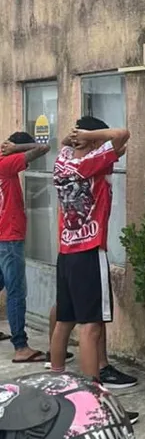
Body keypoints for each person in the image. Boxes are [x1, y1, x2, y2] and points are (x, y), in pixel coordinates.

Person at [49, 118, 137, 418]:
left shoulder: (62, 161)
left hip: (66, 253)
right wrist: (90, 136)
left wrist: (78, 138)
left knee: (65, 321)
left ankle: (57, 383)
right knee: (91, 327)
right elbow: (122, 135)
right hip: (89, 252)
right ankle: (94, 405)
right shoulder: (91, 162)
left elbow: (117, 148)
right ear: (93, 141)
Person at [0, 132, 50, 363]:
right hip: (9, 238)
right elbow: (43, 148)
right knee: (16, 292)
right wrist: (18, 149)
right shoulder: (8, 163)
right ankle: (21, 346)